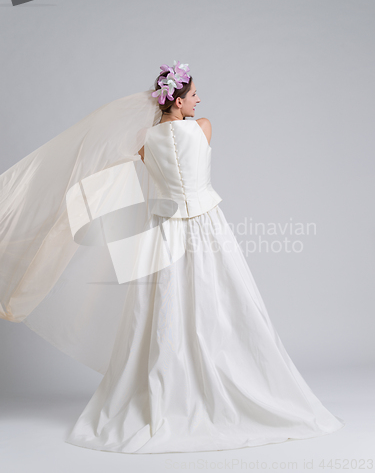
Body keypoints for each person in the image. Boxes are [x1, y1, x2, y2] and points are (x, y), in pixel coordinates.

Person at [62, 62, 345, 453]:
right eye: (193, 95)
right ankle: (218, 380)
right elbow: (194, 160)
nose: (199, 100)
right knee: (223, 302)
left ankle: (171, 388)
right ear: (177, 102)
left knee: (164, 308)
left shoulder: (146, 141)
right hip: (208, 227)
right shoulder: (204, 127)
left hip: (165, 232)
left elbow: (148, 160)